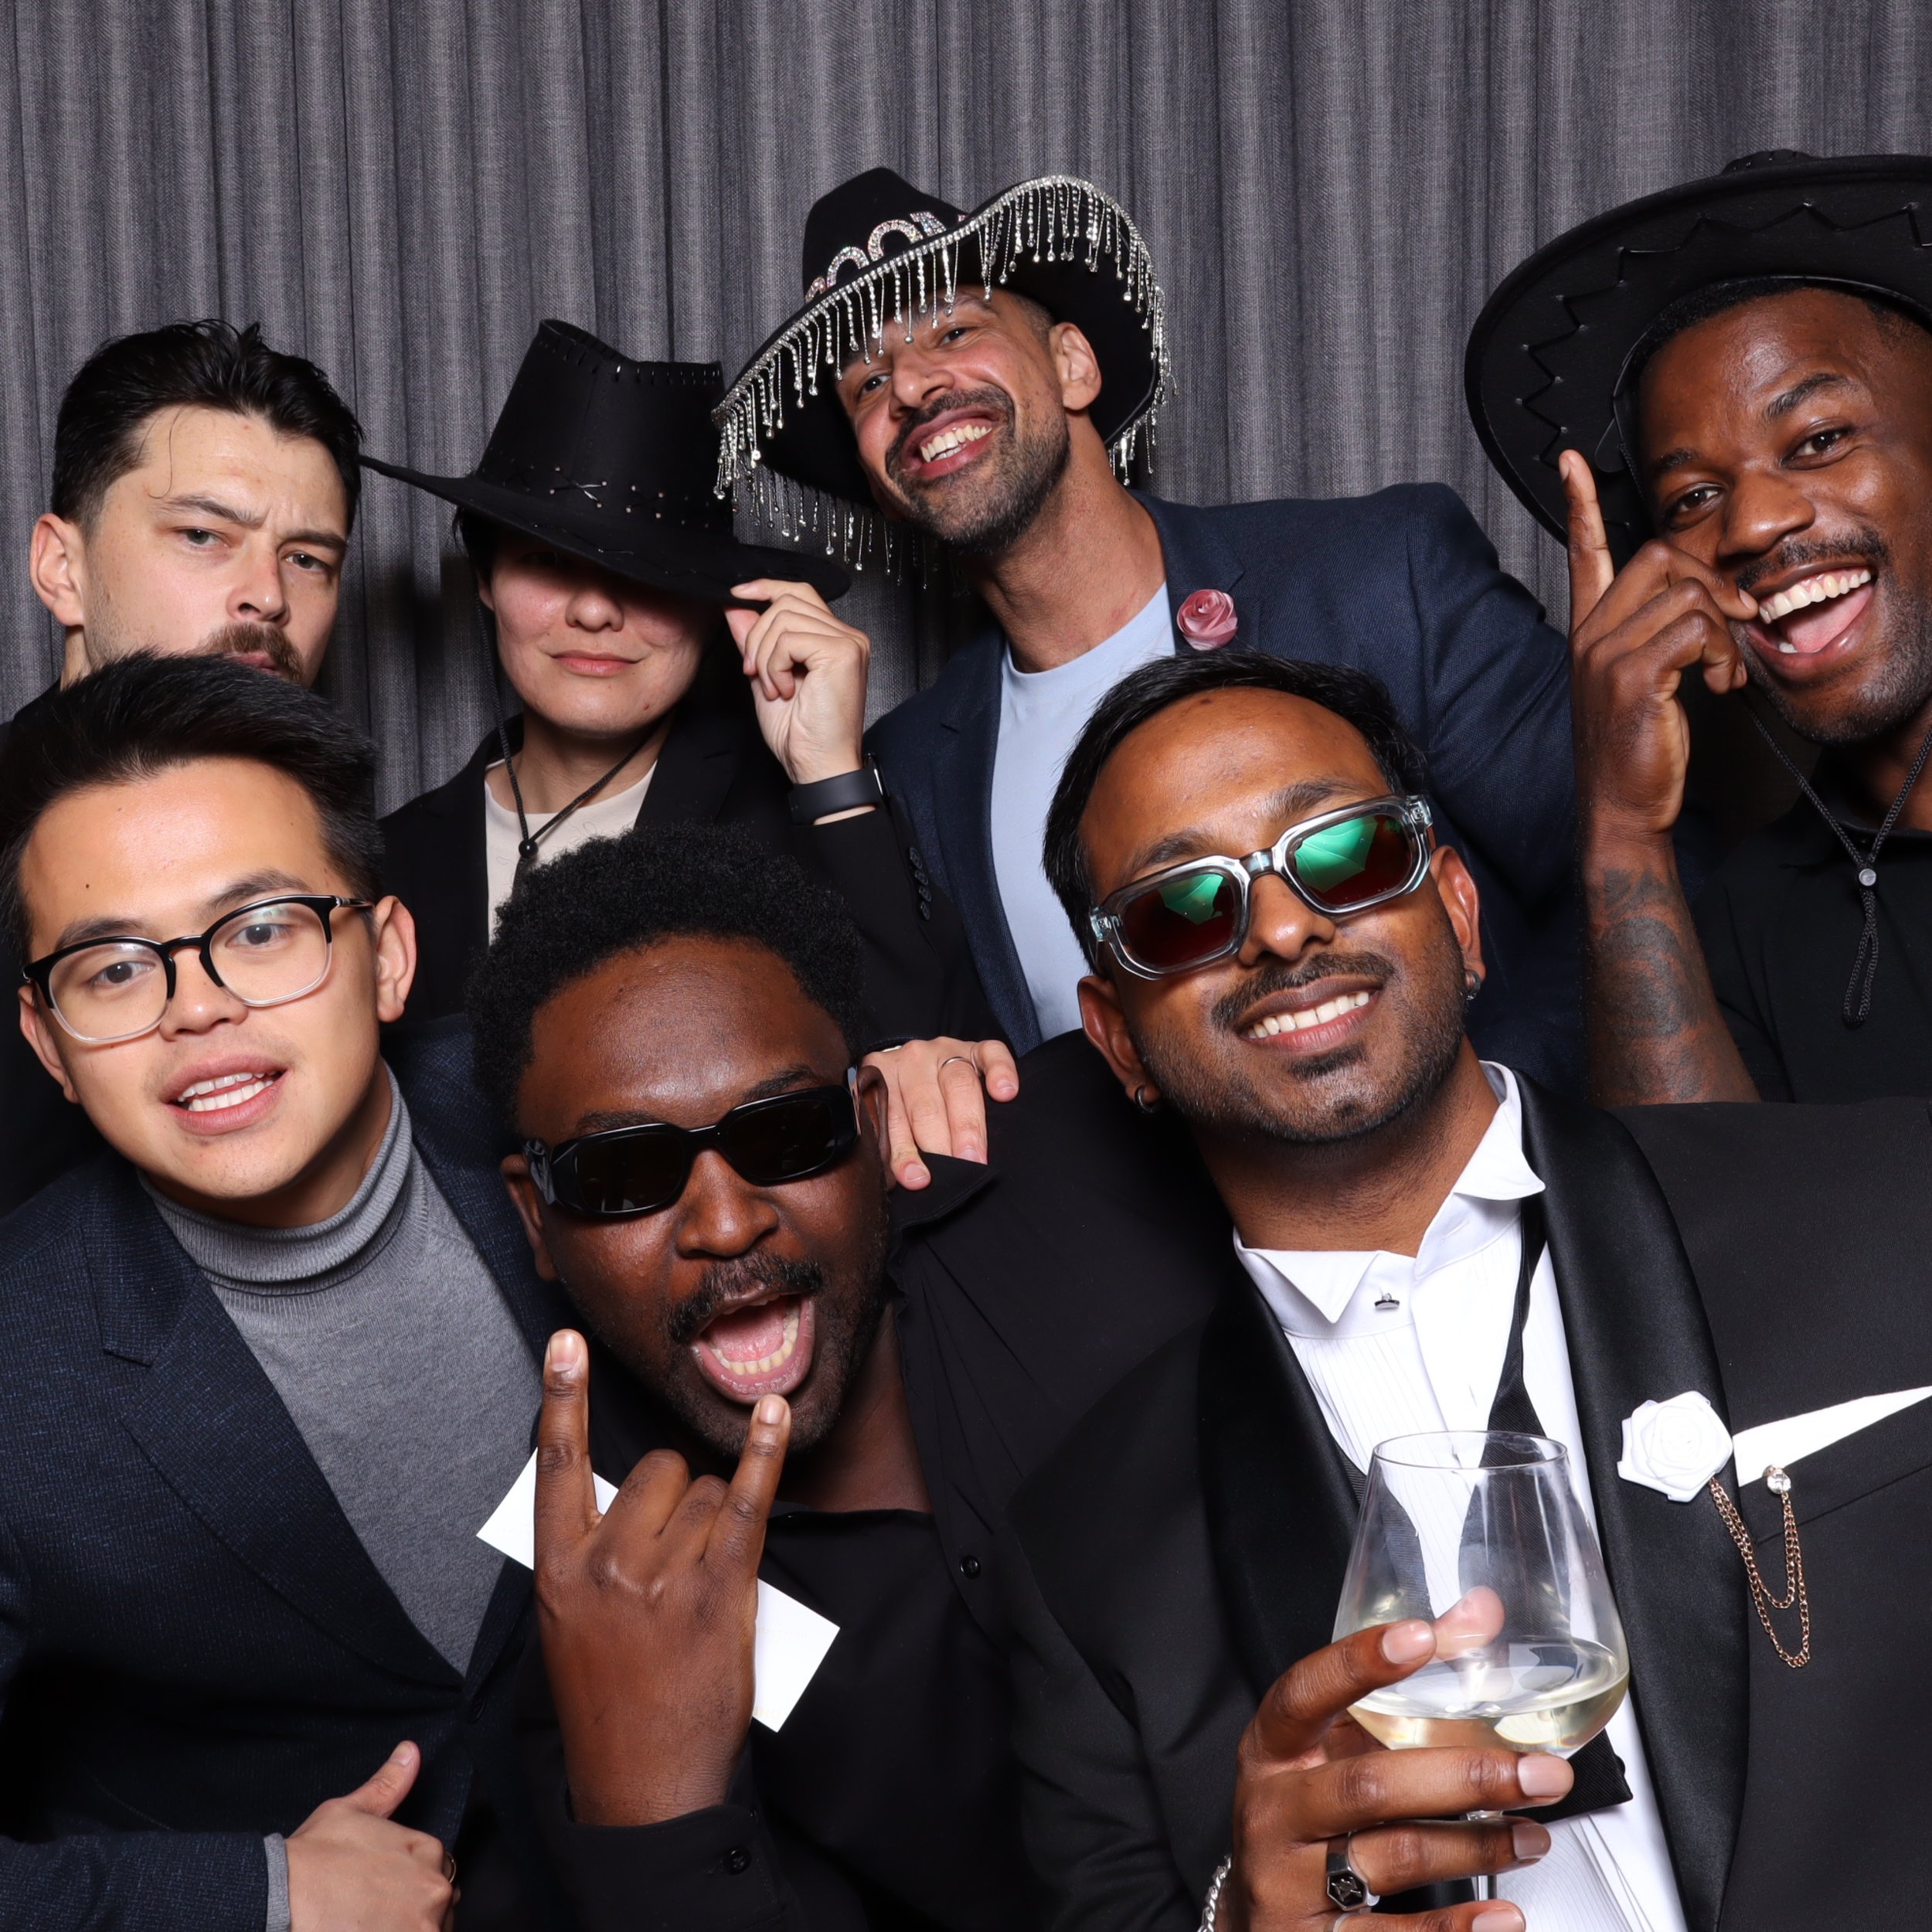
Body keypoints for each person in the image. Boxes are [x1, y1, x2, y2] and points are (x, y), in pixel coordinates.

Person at [895, 648, 1932, 1929]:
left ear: (1456, 905)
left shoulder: (1887, 1208)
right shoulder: (1082, 1557)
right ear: (1119, 1042)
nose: (1282, 930)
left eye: (1341, 855)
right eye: (1183, 909)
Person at [463, 820, 1221, 1930]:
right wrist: (652, 1816)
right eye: (625, 1171)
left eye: (786, 1131)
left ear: (868, 1119)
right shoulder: (589, 1599)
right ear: (538, 1219)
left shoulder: (1090, 1161)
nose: (725, 1222)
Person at [714, 168, 1581, 1088]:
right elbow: (941, 1077)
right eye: (866, 385)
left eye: (955, 330)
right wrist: (830, 775)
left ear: (1074, 364)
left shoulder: (1377, 575)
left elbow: (1624, 867)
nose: (914, 387)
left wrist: (1483, 1150)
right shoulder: (916, 770)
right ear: (880, 485)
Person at [0, 655, 571, 1930]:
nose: (196, 1010)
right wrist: (247, 1897)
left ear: (387, 956)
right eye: (112, 970)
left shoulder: (557, 1104)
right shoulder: (14, 1365)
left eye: (262, 929)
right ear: (47, 1045)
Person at [369, 319, 987, 1049]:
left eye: (643, 573)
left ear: (710, 601)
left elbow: (929, 1049)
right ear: (485, 581)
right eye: (547, 562)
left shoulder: (795, 828)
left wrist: (831, 777)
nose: (595, 611)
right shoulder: (387, 859)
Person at [1468, 148, 1932, 1104]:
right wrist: (1619, 831)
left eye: (1818, 441)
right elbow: (1695, 1228)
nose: (1752, 525)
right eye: (1694, 497)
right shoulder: (1739, 922)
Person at [2, 318, 362, 1215]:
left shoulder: (342, 866)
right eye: (204, 535)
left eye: (307, 557)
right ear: (61, 567)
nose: (269, 596)